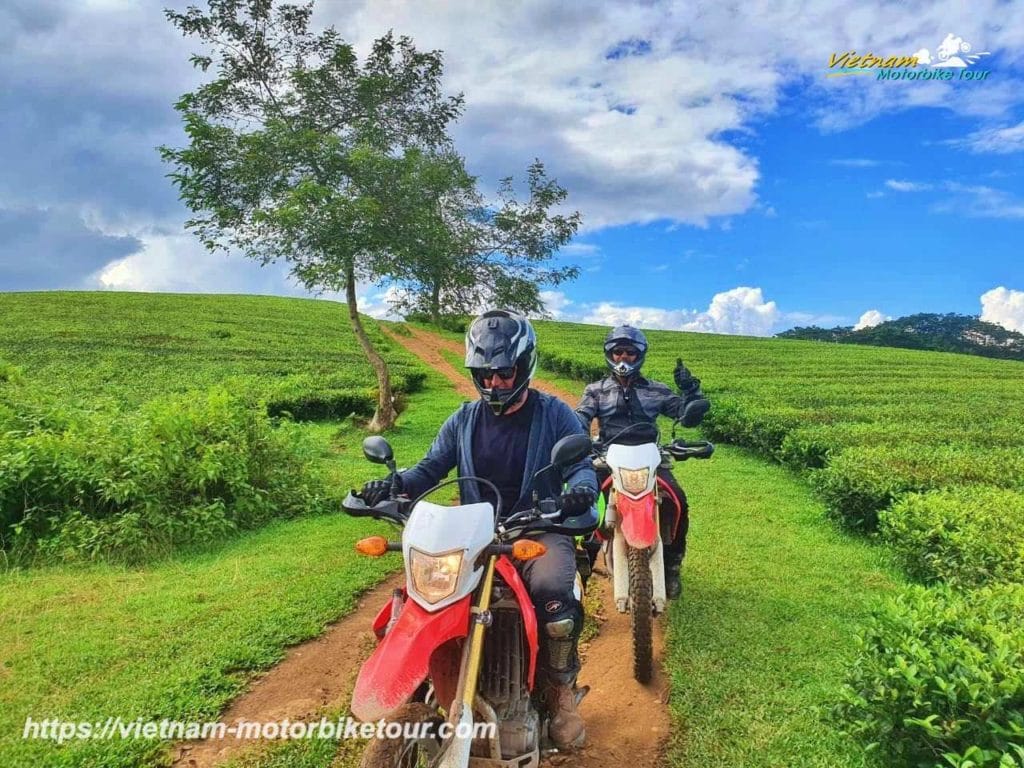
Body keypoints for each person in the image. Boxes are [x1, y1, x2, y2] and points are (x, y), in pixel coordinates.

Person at [359, 309, 597, 750]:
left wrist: (579, 492)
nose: (494, 384)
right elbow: (430, 468)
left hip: (537, 526)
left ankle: (560, 693)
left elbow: (581, 466)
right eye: (484, 375)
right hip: (473, 533)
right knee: (422, 596)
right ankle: (427, 683)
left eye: (504, 373)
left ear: (524, 367)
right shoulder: (464, 419)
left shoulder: (556, 415)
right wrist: (391, 485)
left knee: (552, 595)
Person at [575, 325, 707, 599]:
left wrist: (691, 391)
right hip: (607, 457)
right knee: (585, 506)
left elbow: (686, 415)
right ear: (609, 354)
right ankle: (581, 571)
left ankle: (672, 565)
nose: (624, 357)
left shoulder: (657, 390)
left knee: (678, 501)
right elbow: (581, 418)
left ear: (640, 355)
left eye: (631, 353)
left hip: (650, 458)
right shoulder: (595, 390)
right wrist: (575, 437)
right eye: (618, 351)